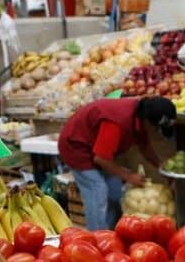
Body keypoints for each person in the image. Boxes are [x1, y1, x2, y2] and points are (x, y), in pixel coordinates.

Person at [58, 96, 176, 230]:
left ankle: (113, 232)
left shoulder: (142, 115)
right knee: (97, 190)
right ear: (148, 122)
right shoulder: (116, 123)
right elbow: (101, 159)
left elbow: (145, 146)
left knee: (115, 193)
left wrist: (162, 168)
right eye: (156, 129)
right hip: (76, 146)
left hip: (97, 147)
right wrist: (129, 176)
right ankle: (97, 237)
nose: (156, 133)